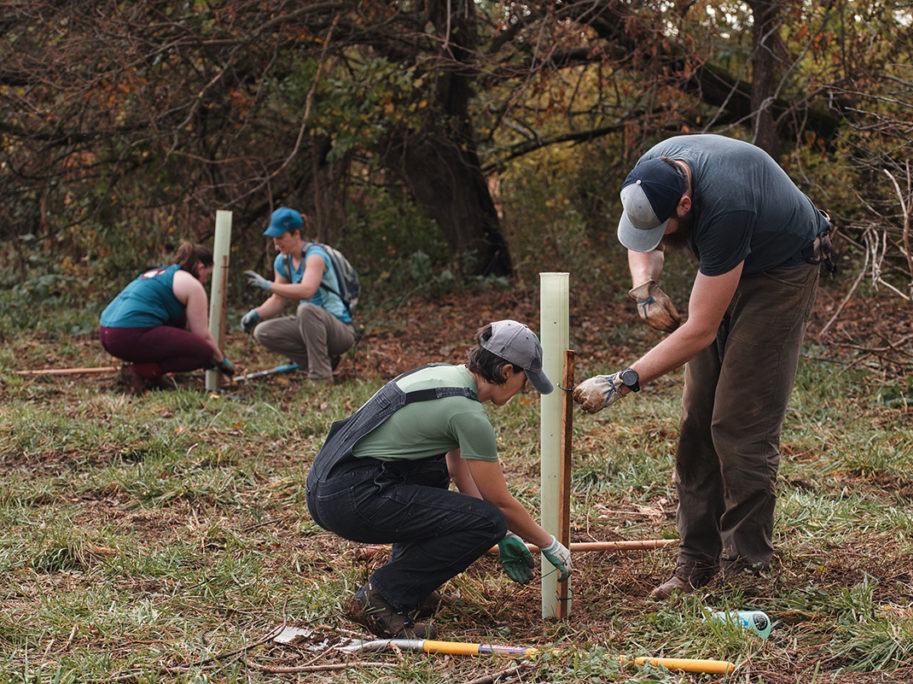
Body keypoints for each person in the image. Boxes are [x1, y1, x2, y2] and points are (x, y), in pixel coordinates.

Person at [573, 134, 833, 599]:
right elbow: (642, 234)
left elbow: (699, 331)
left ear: (687, 204)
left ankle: (747, 569)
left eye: (668, 227)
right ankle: (696, 560)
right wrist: (644, 287)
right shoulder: (650, 172)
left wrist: (623, 380)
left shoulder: (727, 207)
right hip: (725, 261)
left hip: (780, 271)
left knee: (738, 423)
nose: (660, 239)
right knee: (697, 420)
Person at [305, 320, 572, 638]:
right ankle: (381, 598)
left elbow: (456, 466)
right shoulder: (469, 414)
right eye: (524, 379)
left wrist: (497, 532)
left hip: (328, 486)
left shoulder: (444, 376)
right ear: (505, 371)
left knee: (437, 471)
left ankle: (410, 588)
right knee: (489, 520)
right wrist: (548, 544)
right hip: (352, 498)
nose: (523, 388)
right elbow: (500, 502)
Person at [240, 207, 357, 384]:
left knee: (306, 309)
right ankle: (322, 363)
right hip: (311, 328)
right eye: (274, 238)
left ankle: (321, 378)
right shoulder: (282, 261)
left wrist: (268, 285)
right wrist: (256, 313)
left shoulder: (315, 256)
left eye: (281, 237)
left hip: (340, 331)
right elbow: (278, 300)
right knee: (263, 332)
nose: (276, 243)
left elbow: (307, 290)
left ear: (296, 233)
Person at [99, 242, 234, 394]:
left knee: (179, 320)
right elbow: (201, 334)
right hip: (128, 334)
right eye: (207, 275)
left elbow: (175, 331)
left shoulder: (162, 273)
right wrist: (220, 359)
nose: (205, 280)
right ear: (200, 268)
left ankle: (154, 377)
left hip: (106, 332)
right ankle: (139, 372)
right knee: (203, 352)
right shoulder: (193, 285)